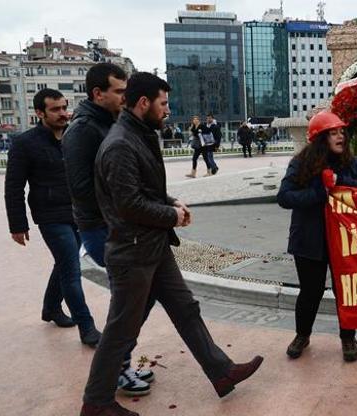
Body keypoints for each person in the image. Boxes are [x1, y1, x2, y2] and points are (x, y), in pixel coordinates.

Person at [80, 72, 262, 416]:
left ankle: (221, 372)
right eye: (163, 103)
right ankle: (96, 403)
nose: (168, 110)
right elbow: (127, 204)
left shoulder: (138, 135)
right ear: (144, 103)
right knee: (121, 330)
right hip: (133, 252)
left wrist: (171, 201)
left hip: (153, 246)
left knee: (185, 309)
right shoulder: (120, 144)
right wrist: (171, 216)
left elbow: (144, 189)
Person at [63, 62, 154, 397]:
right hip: (102, 229)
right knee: (128, 299)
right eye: (118, 91)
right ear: (97, 93)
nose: (124, 96)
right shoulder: (83, 130)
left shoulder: (111, 123)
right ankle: (117, 367)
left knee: (138, 296)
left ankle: (119, 360)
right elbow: (82, 188)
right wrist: (129, 204)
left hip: (117, 225)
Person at [4, 88, 101, 347]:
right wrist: (17, 225)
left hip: (78, 213)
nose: (62, 113)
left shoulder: (73, 137)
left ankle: (50, 308)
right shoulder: (25, 143)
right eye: (55, 109)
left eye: (64, 107)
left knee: (64, 263)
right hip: (50, 216)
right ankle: (87, 327)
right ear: (39, 113)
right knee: (71, 268)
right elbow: (14, 187)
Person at [277, 111, 357, 362]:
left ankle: (348, 338)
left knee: (346, 290)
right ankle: (302, 335)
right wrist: (319, 191)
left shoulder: (349, 162)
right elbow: (285, 197)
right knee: (311, 291)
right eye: (333, 132)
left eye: (342, 131)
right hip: (309, 240)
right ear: (321, 138)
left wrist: (341, 181)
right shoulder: (300, 163)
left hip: (343, 240)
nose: (340, 136)